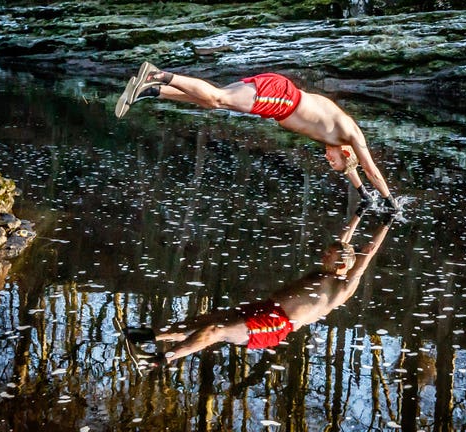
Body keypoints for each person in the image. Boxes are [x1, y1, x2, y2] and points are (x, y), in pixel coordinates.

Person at [114, 207, 393, 368]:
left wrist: (387, 221)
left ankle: (159, 361)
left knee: (216, 331)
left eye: (329, 256)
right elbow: (345, 240)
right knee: (202, 321)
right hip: (265, 309)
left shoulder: (343, 285)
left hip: (276, 324)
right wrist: (360, 212)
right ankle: (147, 336)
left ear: (342, 264)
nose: (323, 256)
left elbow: (367, 253)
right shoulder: (327, 269)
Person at [115, 62, 400, 211]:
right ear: (347, 153)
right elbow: (371, 170)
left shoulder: (340, 142)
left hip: (278, 97)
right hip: (282, 98)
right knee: (217, 98)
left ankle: (148, 91)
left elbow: (353, 170)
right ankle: (158, 76)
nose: (328, 158)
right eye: (332, 160)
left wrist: (363, 194)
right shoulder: (350, 134)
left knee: (211, 101)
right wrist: (390, 202)